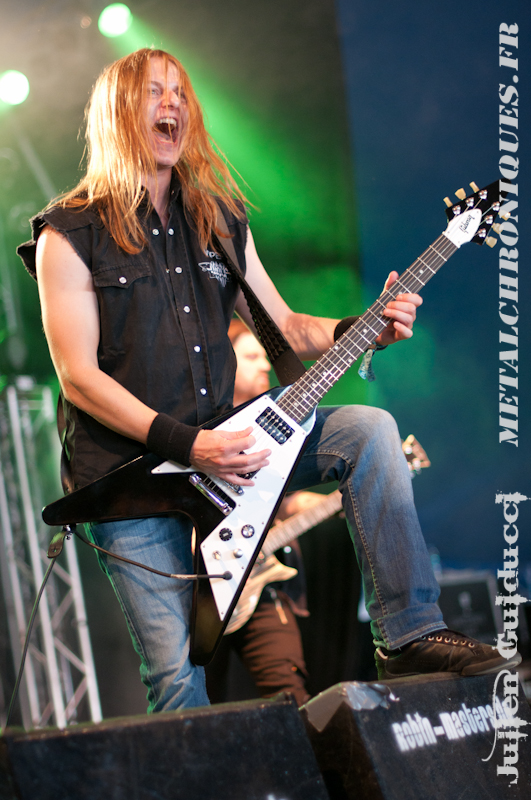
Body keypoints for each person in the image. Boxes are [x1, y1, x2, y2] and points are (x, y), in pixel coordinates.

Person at [17, 48, 520, 714]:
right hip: (132, 478)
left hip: (231, 449)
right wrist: (191, 446)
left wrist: (360, 327)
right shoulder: (69, 233)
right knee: (176, 679)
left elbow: (284, 326)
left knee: (368, 429)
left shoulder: (218, 219)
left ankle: (407, 634)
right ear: (118, 111)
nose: (172, 104)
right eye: (154, 92)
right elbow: (78, 378)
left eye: (181, 93)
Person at [206, 318, 317, 707]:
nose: (265, 364)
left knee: (291, 697)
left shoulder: (277, 432)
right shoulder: (203, 428)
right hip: (202, 589)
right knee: (198, 706)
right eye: (252, 357)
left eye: (264, 356)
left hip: (261, 581)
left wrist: (321, 502)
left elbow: (282, 501)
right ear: (226, 363)